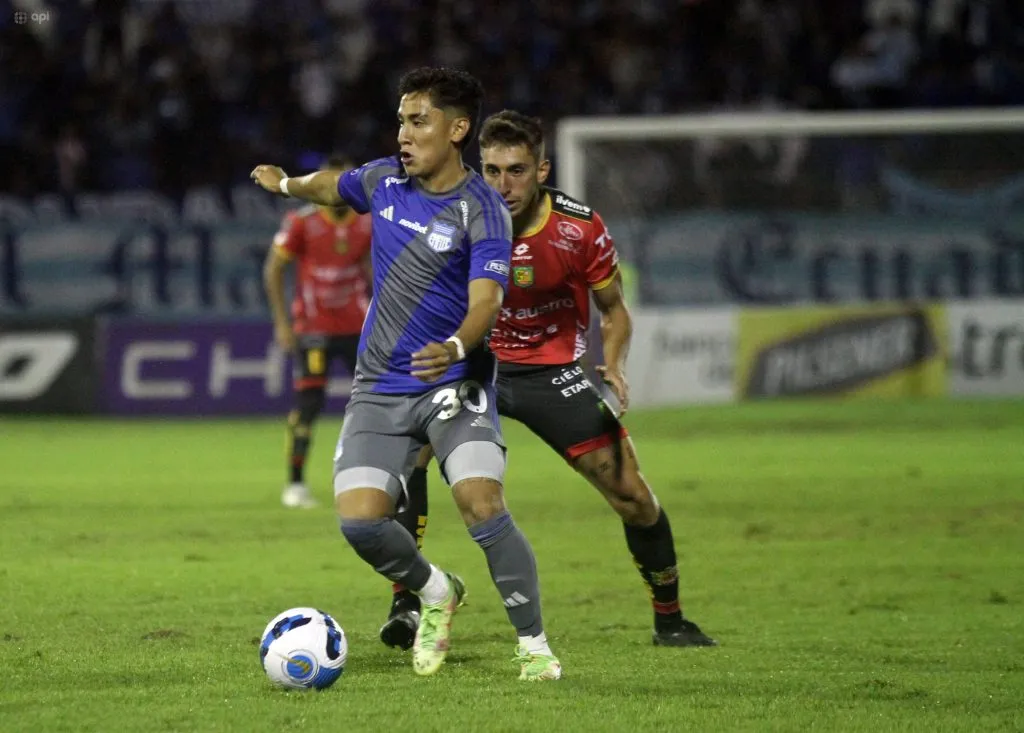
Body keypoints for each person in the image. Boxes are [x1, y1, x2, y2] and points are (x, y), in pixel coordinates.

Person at [250, 68, 561, 681]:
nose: (404, 133)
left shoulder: (483, 210)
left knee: (480, 501)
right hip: (380, 388)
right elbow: (331, 186)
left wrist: (454, 345)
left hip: (455, 385)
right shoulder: (384, 180)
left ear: (457, 129)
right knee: (360, 521)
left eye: (418, 121)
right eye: (401, 120)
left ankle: (534, 646)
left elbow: (486, 303)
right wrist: (285, 182)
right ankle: (438, 591)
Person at [379, 110, 717, 651]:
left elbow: (615, 310)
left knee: (633, 497)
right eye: (490, 170)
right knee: (405, 458)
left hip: (548, 372)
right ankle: (406, 603)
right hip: (472, 364)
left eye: (516, 171)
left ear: (542, 170)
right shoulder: (449, 214)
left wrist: (616, 365)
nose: (502, 185)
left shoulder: (578, 228)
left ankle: (670, 620)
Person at [263, 154, 372, 509]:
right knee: (309, 403)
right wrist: (282, 322)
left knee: (379, 401)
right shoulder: (302, 222)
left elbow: (372, 270)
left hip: (357, 325)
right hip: (314, 327)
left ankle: (377, 480)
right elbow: (274, 270)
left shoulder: (366, 222)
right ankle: (295, 484)